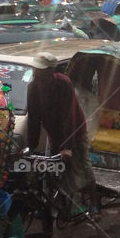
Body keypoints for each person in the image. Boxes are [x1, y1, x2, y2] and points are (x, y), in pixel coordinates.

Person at [25, 54, 99, 219]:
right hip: (54, 132)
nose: (36, 73)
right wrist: (31, 146)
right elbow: (34, 119)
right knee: (49, 168)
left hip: (75, 131)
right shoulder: (33, 88)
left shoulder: (63, 83)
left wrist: (67, 146)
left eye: (41, 70)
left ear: (51, 70)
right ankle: (55, 203)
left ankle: (94, 204)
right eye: (35, 69)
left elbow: (69, 116)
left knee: (84, 167)